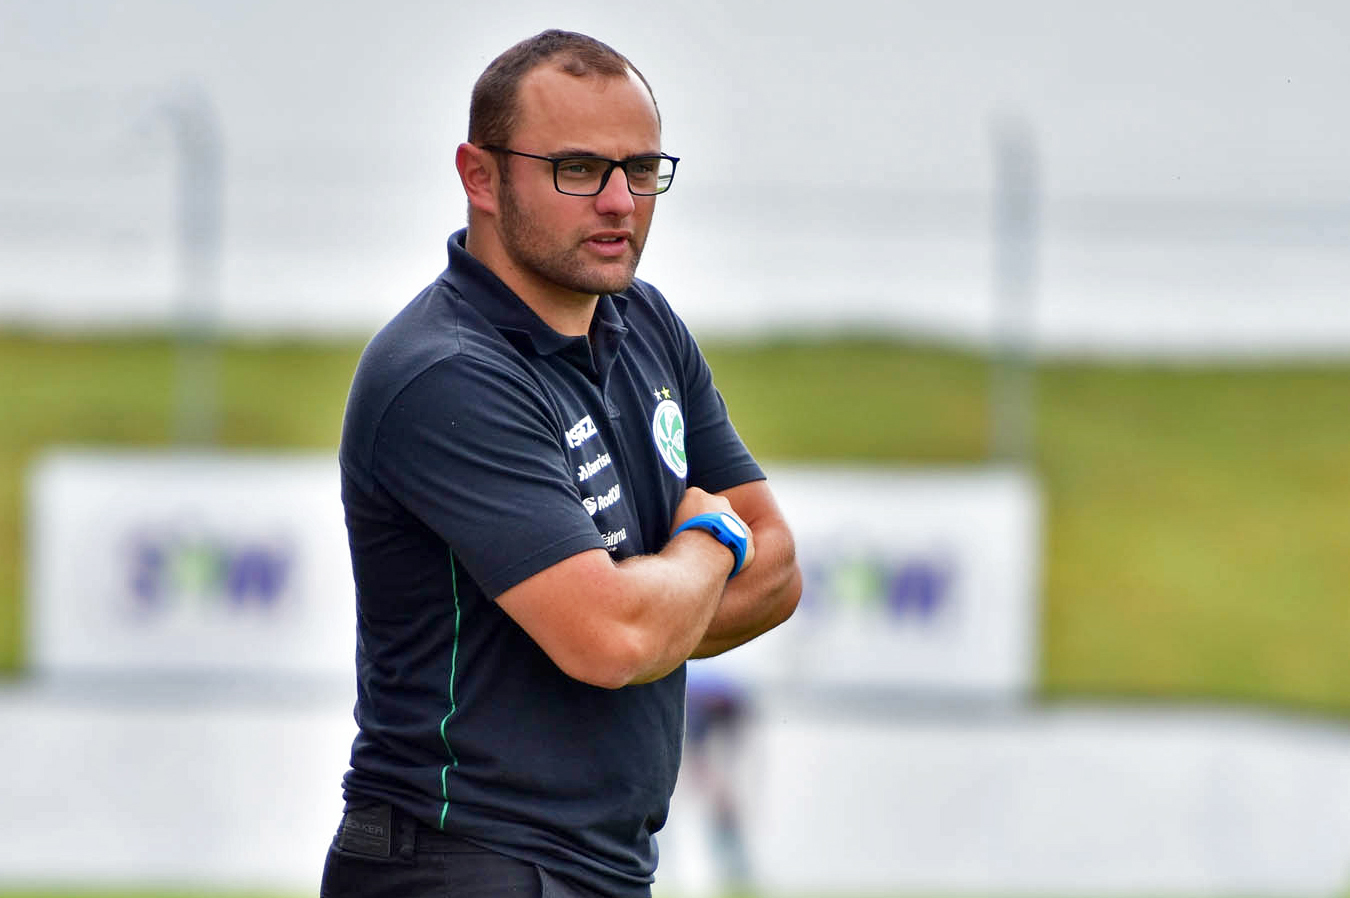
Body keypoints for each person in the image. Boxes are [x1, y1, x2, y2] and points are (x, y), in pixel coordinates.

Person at [322, 29, 802, 898]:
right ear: (481, 176)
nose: (620, 201)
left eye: (641, 169)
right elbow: (612, 639)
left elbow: (779, 568)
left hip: (605, 865)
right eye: (578, 169)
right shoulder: (447, 373)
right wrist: (701, 545)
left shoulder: (646, 325)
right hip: (460, 861)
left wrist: (651, 603)